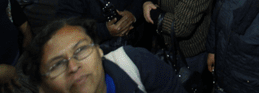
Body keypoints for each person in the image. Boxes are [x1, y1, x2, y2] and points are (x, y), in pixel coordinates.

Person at [21, 18, 186, 93]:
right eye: (56, 64)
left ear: (99, 50)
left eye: (81, 50)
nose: (73, 66)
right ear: (42, 87)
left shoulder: (136, 62)